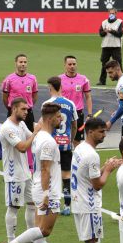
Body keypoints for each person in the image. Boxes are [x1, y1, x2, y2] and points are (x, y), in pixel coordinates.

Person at [0, 103, 64, 243]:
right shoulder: (47, 141)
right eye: (58, 116)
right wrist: (47, 193)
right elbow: (45, 169)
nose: (61, 118)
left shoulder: (40, 135)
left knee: (39, 228)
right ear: (50, 119)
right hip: (47, 189)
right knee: (44, 230)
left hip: (36, 184)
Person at [69, 118, 121, 243]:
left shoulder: (80, 148)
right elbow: (97, 184)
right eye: (101, 131)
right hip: (89, 204)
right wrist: (108, 169)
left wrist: (104, 167)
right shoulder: (91, 155)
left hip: (79, 201)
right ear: (90, 132)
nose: (104, 134)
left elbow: (87, 174)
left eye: (104, 131)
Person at [0, 97, 40, 243]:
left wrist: (40, 131)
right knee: (14, 207)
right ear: (13, 108)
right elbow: (23, 147)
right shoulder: (7, 128)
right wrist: (36, 132)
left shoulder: (21, 124)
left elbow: (32, 139)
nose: (26, 112)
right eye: (23, 109)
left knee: (31, 204)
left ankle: (31, 237)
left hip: (25, 172)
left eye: (27, 109)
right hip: (13, 174)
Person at [42, 76, 78, 216]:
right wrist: (71, 140)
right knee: (66, 174)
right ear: (61, 87)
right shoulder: (70, 104)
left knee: (49, 172)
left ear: (50, 87)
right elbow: (74, 125)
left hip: (51, 144)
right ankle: (68, 205)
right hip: (66, 145)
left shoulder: (47, 104)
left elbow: (44, 124)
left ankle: (50, 201)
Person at [2, 54, 38, 171]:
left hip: (28, 113)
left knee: (30, 138)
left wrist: (27, 108)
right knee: (13, 139)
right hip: (14, 113)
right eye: (20, 62)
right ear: (16, 63)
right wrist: (11, 110)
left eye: (25, 62)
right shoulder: (9, 79)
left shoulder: (32, 78)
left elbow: (34, 95)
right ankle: (11, 167)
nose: (23, 64)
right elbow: (5, 97)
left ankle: (30, 166)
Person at [59, 55, 93, 146]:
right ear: (65, 65)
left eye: (74, 64)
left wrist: (90, 114)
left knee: (77, 140)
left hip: (78, 114)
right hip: (63, 112)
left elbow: (88, 97)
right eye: (69, 64)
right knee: (61, 138)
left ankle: (76, 159)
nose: (72, 66)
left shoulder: (83, 79)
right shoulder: (59, 79)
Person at [104, 60, 123, 136]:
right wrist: (118, 110)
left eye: (110, 72)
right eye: (107, 73)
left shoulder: (121, 86)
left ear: (118, 69)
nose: (109, 75)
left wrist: (111, 122)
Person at [98, 7, 123, 86]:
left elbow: (120, 34)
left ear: (116, 14)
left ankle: (121, 80)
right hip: (106, 46)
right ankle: (102, 81)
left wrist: (111, 31)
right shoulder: (104, 22)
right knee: (104, 64)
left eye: (113, 13)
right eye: (110, 13)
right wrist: (105, 31)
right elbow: (100, 34)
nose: (111, 15)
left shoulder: (119, 22)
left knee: (118, 63)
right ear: (108, 13)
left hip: (116, 46)